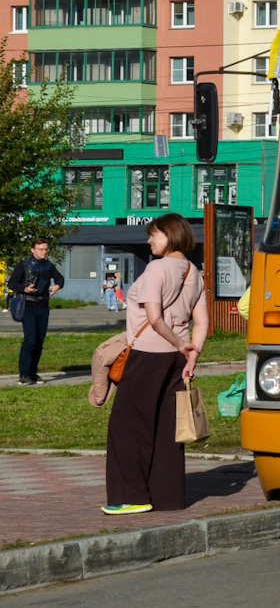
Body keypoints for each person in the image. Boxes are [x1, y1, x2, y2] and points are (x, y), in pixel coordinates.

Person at [103, 213, 207, 516]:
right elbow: (202, 321)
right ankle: (169, 497)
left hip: (149, 354)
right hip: (177, 359)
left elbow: (154, 318)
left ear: (172, 235)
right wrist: (191, 354)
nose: (149, 240)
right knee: (166, 428)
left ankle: (130, 496)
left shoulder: (156, 268)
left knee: (126, 425)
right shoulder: (193, 270)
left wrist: (177, 343)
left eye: (155, 234)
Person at [8, 238, 64, 385]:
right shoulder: (24, 264)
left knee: (39, 341)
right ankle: (24, 374)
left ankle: (33, 372)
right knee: (30, 340)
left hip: (43, 306)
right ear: (33, 250)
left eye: (46, 249)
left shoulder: (48, 265)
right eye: (41, 249)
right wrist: (24, 289)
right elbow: (12, 283)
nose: (44, 252)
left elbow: (60, 278)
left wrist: (57, 286)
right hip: (27, 305)